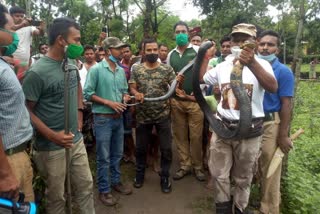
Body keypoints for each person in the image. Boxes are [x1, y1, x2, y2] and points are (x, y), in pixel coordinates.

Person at [199, 23, 278, 213]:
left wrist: (251, 62)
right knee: (219, 174)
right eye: (236, 39)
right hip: (223, 128)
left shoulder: (263, 64)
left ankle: (240, 208)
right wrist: (205, 55)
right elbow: (202, 78)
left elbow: (273, 87)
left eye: (246, 40)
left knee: (243, 177)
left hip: (250, 131)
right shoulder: (223, 65)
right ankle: (223, 208)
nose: (240, 43)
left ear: (255, 42)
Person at [22, 17, 95, 214]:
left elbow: (77, 86)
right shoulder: (37, 73)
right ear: (61, 40)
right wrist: (52, 135)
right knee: (57, 197)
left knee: (86, 186)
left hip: (75, 139)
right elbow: (26, 110)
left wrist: (80, 113)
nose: (79, 45)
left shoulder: (70, 62)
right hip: (51, 148)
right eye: (77, 40)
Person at [84, 37, 132, 206]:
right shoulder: (96, 70)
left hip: (118, 119)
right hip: (102, 119)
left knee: (117, 153)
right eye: (118, 49)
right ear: (108, 50)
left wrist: (125, 98)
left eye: (122, 49)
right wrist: (108, 102)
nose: (121, 51)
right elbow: (87, 94)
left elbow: (124, 91)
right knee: (103, 156)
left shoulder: (120, 70)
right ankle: (104, 190)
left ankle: (116, 181)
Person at [129, 38, 177, 193]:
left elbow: (174, 87)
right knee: (141, 149)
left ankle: (164, 177)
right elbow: (132, 88)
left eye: (154, 49)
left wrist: (178, 84)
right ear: (143, 51)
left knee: (166, 149)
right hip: (143, 116)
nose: (152, 52)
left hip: (163, 115)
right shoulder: (136, 69)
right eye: (148, 50)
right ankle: (140, 174)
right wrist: (136, 93)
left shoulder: (167, 69)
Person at [257, 30, 294, 214]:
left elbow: (286, 104)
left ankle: (269, 209)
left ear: (277, 49)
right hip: (249, 124)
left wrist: (283, 134)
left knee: (270, 170)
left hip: (271, 124)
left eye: (270, 44)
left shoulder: (283, 72)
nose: (265, 48)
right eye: (262, 44)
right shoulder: (250, 67)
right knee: (249, 165)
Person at [0, 4, 34, 202]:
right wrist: (5, 173)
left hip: (17, 154)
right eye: (12, 28)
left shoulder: (4, 63)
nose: (15, 34)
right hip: (8, 160)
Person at [167, 21, 205, 182]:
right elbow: (169, 76)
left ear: (189, 33)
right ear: (174, 34)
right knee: (180, 135)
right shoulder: (171, 55)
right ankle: (185, 165)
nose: (180, 34)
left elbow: (205, 75)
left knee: (196, 136)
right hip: (176, 102)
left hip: (195, 101)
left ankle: (198, 167)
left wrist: (197, 95)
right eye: (177, 32)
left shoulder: (198, 51)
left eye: (183, 31)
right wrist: (173, 89)